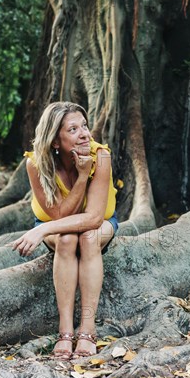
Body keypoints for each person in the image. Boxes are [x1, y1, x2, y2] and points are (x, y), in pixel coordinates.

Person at [10, 102, 118, 360]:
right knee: (69, 239)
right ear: (55, 141)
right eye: (73, 129)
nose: (84, 134)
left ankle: (88, 330)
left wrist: (43, 230)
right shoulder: (36, 163)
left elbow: (92, 218)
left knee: (88, 238)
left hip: (98, 223)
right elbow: (60, 215)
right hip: (57, 225)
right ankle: (65, 331)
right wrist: (81, 178)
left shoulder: (100, 156)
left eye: (84, 126)